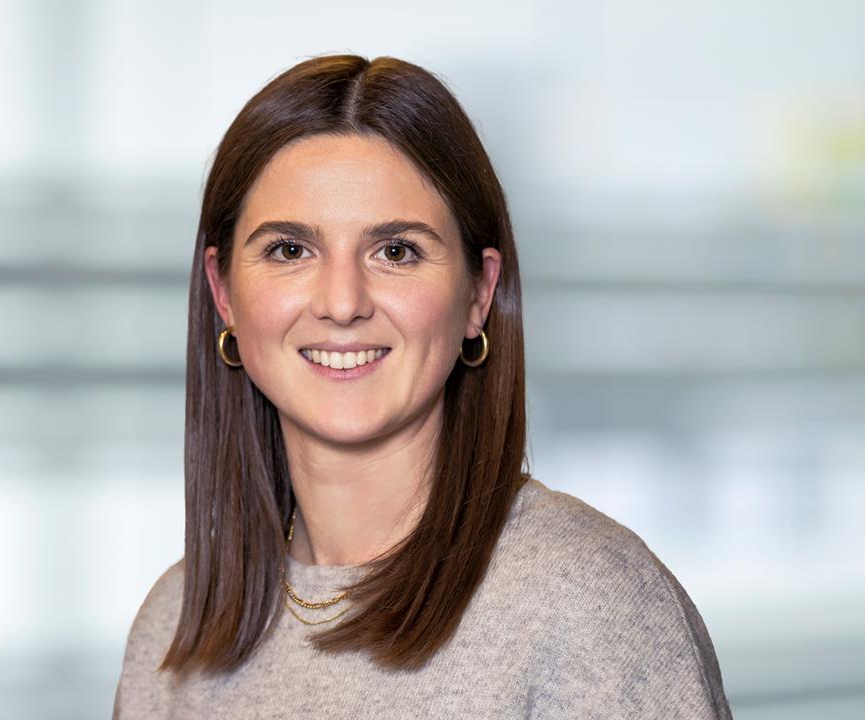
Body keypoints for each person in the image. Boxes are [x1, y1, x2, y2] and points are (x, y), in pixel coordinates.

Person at [113, 54, 733, 719]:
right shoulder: (171, 629)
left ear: (479, 294)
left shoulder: (586, 605)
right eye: (290, 250)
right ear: (223, 293)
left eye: (396, 251)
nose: (342, 303)